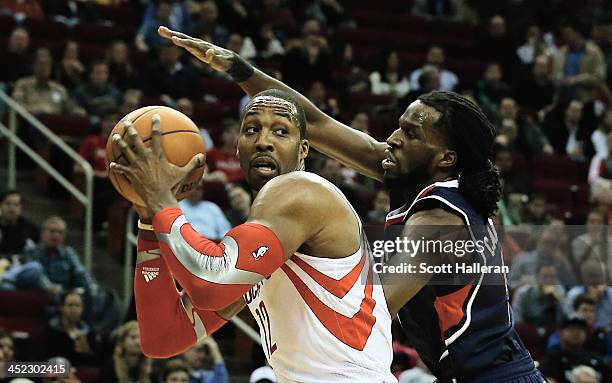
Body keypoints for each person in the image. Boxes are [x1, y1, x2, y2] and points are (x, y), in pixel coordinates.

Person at [159, 26, 543, 382]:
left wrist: (280, 255)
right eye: (399, 125)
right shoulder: (409, 171)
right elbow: (315, 123)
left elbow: (374, 307)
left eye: (410, 134)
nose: (392, 138)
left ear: (444, 159)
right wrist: (239, 69)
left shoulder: (439, 220)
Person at [111, 85, 397, 382]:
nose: (263, 142)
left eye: (281, 132)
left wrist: (161, 200)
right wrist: (147, 219)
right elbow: (164, 337)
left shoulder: (304, 190)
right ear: (237, 149)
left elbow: (209, 283)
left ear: (303, 150)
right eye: (251, 130)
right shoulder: (262, 242)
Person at [24, 216, 97, 296]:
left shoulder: (68, 252)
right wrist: (50, 288)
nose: (56, 236)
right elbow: (37, 276)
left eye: (60, 232)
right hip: (40, 296)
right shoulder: (32, 251)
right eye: (52, 231)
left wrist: (92, 288)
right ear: (42, 234)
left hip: (65, 297)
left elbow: (80, 272)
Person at [539, 316, 610, 383]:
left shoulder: (595, 358)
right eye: (571, 328)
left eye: (580, 329)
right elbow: (546, 380)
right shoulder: (552, 358)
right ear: (561, 333)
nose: (576, 332)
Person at [43, 290, 98, 366]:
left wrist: (87, 352)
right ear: (61, 308)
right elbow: (42, 360)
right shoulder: (50, 332)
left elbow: (95, 364)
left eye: (77, 305)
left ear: (82, 309)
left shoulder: (89, 334)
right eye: (70, 305)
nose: (74, 309)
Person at [511, 262, 565, 330]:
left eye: (552, 277)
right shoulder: (523, 293)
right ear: (537, 277)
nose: (549, 281)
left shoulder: (559, 292)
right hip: (528, 332)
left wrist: (557, 302)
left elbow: (561, 322)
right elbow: (517, 320)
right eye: (545, 277)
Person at [0, 190, 39, 256]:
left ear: (21, 207)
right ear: (0, 205)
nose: (12, 208)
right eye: (8, 204)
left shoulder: (31, 229)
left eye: (16, 205)